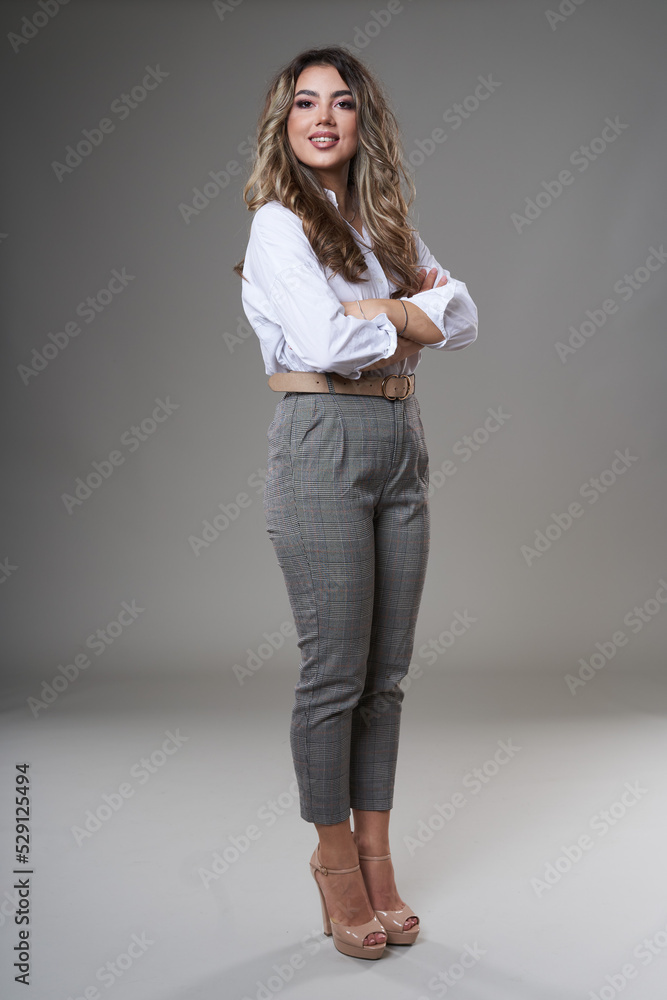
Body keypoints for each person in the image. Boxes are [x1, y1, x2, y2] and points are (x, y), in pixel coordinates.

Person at [234, 45, 478, 960]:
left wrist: (385, 314)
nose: (323, 118)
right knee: (335, 671)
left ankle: (378, 855)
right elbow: (323, 343)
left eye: (340, 103)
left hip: (399, 439)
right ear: (284, 123)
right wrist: (410, 316)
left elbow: (468, 318)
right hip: (323, 442)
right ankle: (333, 861)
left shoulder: (384, 226)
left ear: (361, 121)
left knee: (387, 674)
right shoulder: (277, 226)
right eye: (305, 103)